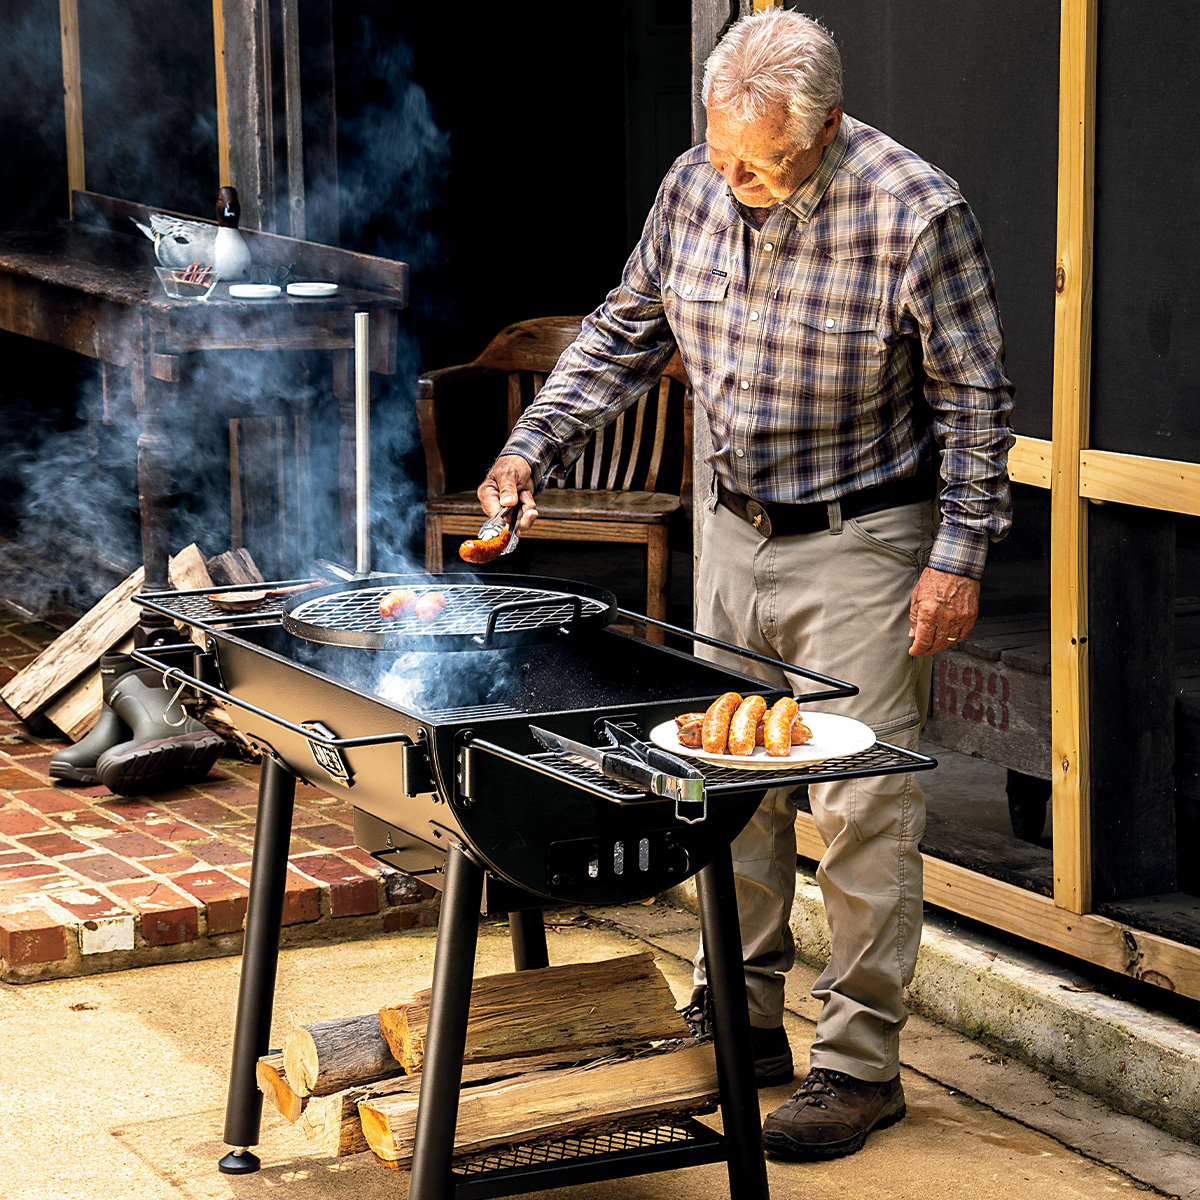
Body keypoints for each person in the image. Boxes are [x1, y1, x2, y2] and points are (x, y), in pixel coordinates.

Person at [474, 7, 1013, 1161]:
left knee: (861, 802)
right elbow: (625, 331)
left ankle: (860, 1067)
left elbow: (975, 402)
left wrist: (959, 555)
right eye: (724, 154)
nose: (739, 180)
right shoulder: (692, 184)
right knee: (728, 774)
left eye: (763, 163)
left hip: (864, 536)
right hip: (731, 525)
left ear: (824, 127)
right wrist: (532, 449)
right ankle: (745, 1011)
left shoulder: (918, 212)